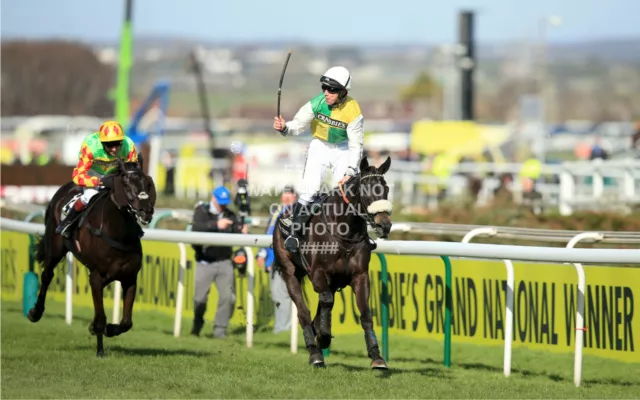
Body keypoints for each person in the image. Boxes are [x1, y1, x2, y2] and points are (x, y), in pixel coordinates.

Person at [273, 66, 364, 253]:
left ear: (343, 92)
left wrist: (350, 170)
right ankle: (294, 235)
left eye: (332, 90)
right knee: (310, 190)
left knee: (348, 191)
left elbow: (356, 145)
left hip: (343, 148)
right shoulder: (316, 103)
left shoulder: (354, 111)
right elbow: (297, 125)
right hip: (320, 146)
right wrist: (284, 127)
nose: (326, 93)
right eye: (324, 88)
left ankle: (361, 235)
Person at [56, 120, 138, 238]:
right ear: (101, 143)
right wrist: (100, 181)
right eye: (110, 145)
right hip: (93, 173)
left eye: (117, 143)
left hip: (114, 173)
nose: (114, 149)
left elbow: (133, 173)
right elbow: (77, 176)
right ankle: (68, 221)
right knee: (89, 196)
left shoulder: (129, 145)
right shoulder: (91, 146)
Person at [190, 185, 248, 339]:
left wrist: (242, 231)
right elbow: (195, 230)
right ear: (213, 198)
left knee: (228, 298)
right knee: (199, 299)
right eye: (220, 201)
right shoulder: (201, 211)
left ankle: (219, 331)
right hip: (204, 262)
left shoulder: (230, 214)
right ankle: (197, 325)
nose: (223, 205)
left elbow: (237, 232)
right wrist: (216, 225)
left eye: (225, 202)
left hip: (224, 262)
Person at [257, 185, 296, 333]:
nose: (286, 197)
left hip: (286, 259)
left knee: (283, 294)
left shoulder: (294, 211)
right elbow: (269, 233)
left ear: (295, 197)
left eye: (289, 194)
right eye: (284, 194)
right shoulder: (277, 211)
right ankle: (282, 328)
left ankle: (283, 329)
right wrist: (262, 254)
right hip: (274, 260)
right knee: (277, 294)